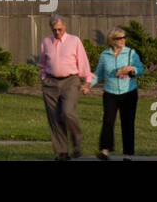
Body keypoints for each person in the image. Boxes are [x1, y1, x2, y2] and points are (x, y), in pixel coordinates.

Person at [37, 13, 93, 160]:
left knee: (67, 112)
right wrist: (43, 78)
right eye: (54, 30)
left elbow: (83, 62)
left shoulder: (74, 41)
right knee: (54, 118)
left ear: (64, 27)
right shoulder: (46, 42)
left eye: (60, 29)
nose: (57, 32)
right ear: (51, 28)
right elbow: (42, 63)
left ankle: (76, 139)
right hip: (50, 83)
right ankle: (62, 152)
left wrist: (87, 82)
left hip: (71, 81)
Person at [92, 27, 142, 160]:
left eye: (124, 37)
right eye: (120, 38)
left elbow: (140, 69)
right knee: (108, 121)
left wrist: (131, 69)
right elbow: (98, 74)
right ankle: (105, 151)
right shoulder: (104, 55)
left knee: (127, 123)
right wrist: (87, 85)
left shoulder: (131, 53)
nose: (123, 40)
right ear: (112, 40)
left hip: (129, 93)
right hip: (110, 93)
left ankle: (128, 154)